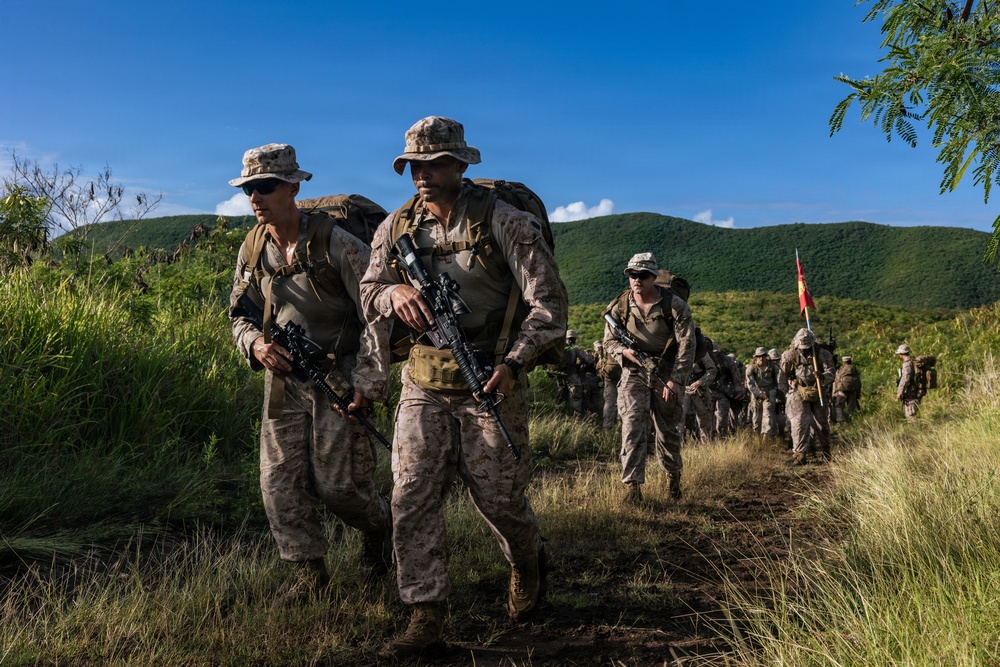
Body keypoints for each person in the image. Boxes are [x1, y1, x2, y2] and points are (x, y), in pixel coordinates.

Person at [360, 116, 568, 658]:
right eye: (413, 166)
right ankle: (424, 614)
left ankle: (526, 561)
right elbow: (368, 291)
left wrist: (516, 364)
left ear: (460, 164)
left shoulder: (507, 223)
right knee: (410, 496)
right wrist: (393, 297)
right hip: (423, 380)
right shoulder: (395, 229)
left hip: (491, 379)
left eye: (432, 164)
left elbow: (550, 308)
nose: (421, 175)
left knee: (499, 500)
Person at [227, 143, 392, 607]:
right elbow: (239, 314)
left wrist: (368, 383)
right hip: (283, 381)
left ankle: (382, 530)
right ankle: (310, 575)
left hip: (337, 378)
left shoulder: (337, 243)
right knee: (278, 484)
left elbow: (377, 314)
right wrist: (256, 345)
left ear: (294, 187)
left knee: (340, 487)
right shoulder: (253, 247)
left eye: (265, 187)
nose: (255, 197)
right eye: (248, 189)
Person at [602, 252, 696, 505]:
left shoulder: (674, 305)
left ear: (653, 277)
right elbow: (608, 340)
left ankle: (672, 477)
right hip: (633, 371)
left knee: (666, 431)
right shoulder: (620, 305)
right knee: (632, 427)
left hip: (665, 371)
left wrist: (676, 379)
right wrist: (623, 351)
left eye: (642, 275)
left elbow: (687, 345)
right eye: (632, 275)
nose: (636, 280)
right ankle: (633, 489)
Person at [781, 328, 836, 465]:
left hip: (819, 389)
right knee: (799, 423)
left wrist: (823, 376)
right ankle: (800, 454)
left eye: (807, 347)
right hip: (799, 390)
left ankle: (825, 451)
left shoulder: (823, 354)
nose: (804, 350)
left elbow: (832, 372)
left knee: (822, 423)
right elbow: (782, 373)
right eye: (802, 347)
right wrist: (784, 392)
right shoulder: (789, 355)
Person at [681, 349, 717, 443]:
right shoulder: (677, 352)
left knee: (704, 420)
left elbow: (712, 370)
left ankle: (706, 446)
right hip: (683, 389)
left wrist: (700, 382)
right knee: (679, 419)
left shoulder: (702, 354)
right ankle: (678, 446)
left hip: (700, 391)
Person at [746, 347, 780, 437]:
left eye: (763, 356)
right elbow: (751, 384)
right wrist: (759, 394)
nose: (761, 358)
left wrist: (776, 392)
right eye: (759, 356)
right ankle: (756, 437)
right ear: (756, 357)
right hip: (756, 392)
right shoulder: (751, 368)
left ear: (766, 356)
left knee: (768, 414)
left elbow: (778, 381)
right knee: (756, 416)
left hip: (770, 391)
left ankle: (766, 436)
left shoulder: (773, 367)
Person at [594, 340, 622, 429]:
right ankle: (620, 424)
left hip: (608, 376)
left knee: (609, 401)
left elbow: (600, 363)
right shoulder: (623, 343)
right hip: (622, 375)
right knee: (621, 401)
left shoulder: (606, 344)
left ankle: (607, 425)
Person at [832, 355, 862, 423]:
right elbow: (859, 382)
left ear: (843, 362)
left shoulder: (840, 370)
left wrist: (834, 393)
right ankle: (850, 421)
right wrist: (858, 393)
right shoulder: (854, 370)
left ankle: (841, 419)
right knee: (851, 408)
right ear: (850, 361)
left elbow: (836, 381)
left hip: (842, 392)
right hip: (853, 391)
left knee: (838, 406)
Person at [895, 344, 920, 422]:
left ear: (901, 354)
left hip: (910, 392)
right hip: (914, 390)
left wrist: (900, 392)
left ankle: (915, 431)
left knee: (910, 415)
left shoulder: (907, 364)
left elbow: (905, 379)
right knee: (912, 413)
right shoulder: (912, 362)